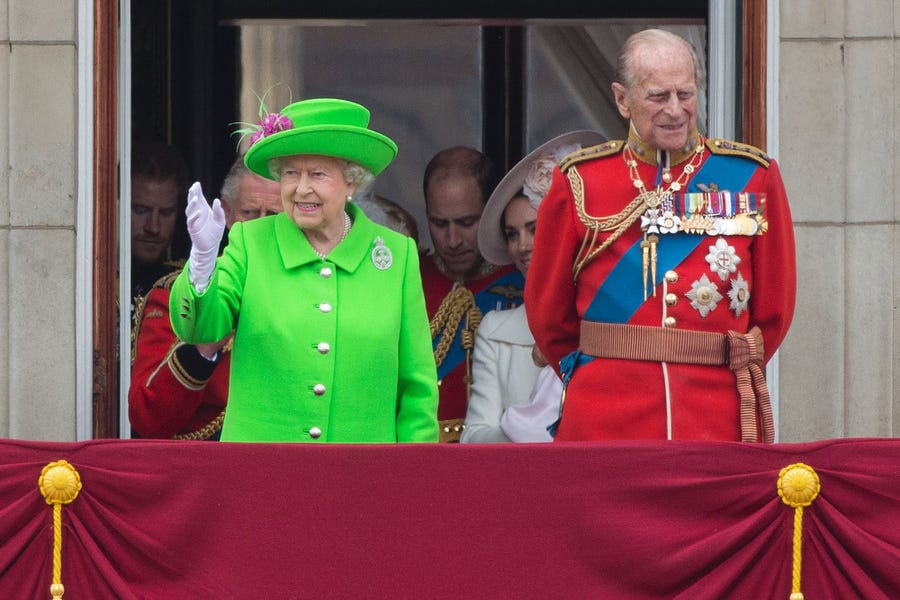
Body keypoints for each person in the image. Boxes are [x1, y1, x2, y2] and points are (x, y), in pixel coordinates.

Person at [526, 29, 796, 443]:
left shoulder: (751, 176)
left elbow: (774, 309)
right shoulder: (580, 180)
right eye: (658, 96)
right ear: (622, 99)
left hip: (715, 418)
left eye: (685, 94)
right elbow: (549, 316)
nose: (676, 110)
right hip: (605, 417)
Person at [169, 97, 439, 443]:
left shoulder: (395, 256)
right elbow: (202, 327)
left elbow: (416, 385)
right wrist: (202, 266)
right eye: (291, 173)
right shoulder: (252, 243)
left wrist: (412, 476)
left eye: (318, 174)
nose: (301, 188)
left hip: (363, 477)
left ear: (351, 181)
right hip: (262, 474)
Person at [461, 131, 605, 444]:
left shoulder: (614, 319)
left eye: (534, 229)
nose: (523, 246)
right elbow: (473, 438)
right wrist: (527, 433)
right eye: (512, 234)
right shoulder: (497, 328)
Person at [129, 157, 282, 440]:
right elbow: (147, 419)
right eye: (250, 213)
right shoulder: (178, 293)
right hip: (208, 468)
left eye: (273, 216)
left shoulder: (315, 293)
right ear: (226, 214)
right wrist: (204, 345)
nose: (260, 228)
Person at [420, 146, 525, 441]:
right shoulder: (409, 278)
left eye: (467, 223)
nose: (452, 240)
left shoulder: (525, 283)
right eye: (439, 224)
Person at [130, 139, 189, 325]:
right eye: (141, 210)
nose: (153, 227)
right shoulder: (94, 278)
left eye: (165, 213)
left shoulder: (187, 283)